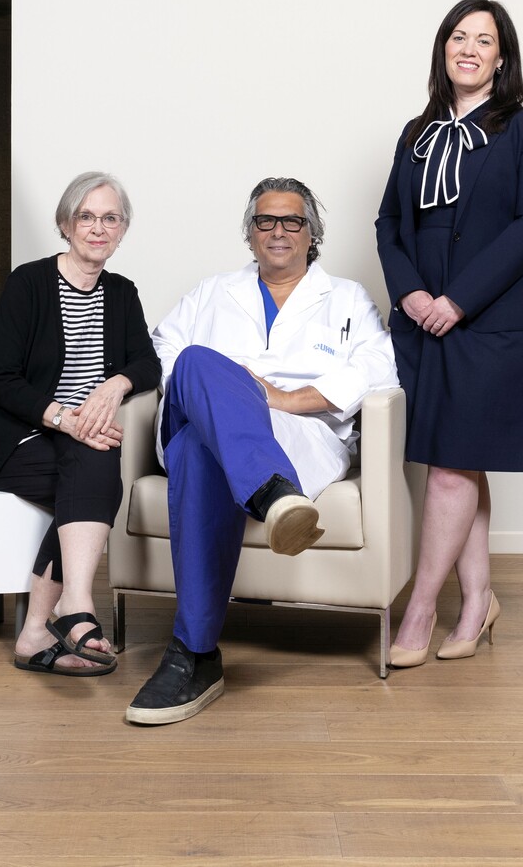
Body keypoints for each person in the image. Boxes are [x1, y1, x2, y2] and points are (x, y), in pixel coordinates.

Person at [126, 177, 398, 725]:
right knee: (200, 360)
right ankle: (273, 494)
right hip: (208, 418)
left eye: (292, 221)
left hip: (299, 433)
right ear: (249, 235)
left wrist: (286, 397)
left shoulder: (345, 298)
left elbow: (378, 368)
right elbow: (164, 354)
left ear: (311, 234)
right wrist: (237, 396)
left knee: (200, 456)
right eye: (265, 221)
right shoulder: (211, 292)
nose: (278, 232)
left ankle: (194, 654)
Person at [374, 0, 523, 668]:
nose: (470, 48)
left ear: (501, 58)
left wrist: (457, 298)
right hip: (422, 323)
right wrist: (413, 292)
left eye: (485, 40)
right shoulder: (414, 134)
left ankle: (422, 606)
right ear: (443, 48)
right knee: (458, 460)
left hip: (492, 324)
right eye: (460, 35)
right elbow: (389, 225)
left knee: (453, 467)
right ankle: (478, 597)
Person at [0, 172, 160, 675]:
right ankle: (66, 614)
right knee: (97, 476)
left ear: (122, 229)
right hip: (0, 435)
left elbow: (147, 363)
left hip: (73, 442)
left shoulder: (122, 293)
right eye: (86, 216)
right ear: (65, 224)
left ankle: (43, 629)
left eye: (110, 218)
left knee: (92, 469)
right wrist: (66, 419)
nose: (97, 227)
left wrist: (115, 385)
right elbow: (0, 379)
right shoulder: (29, 283)